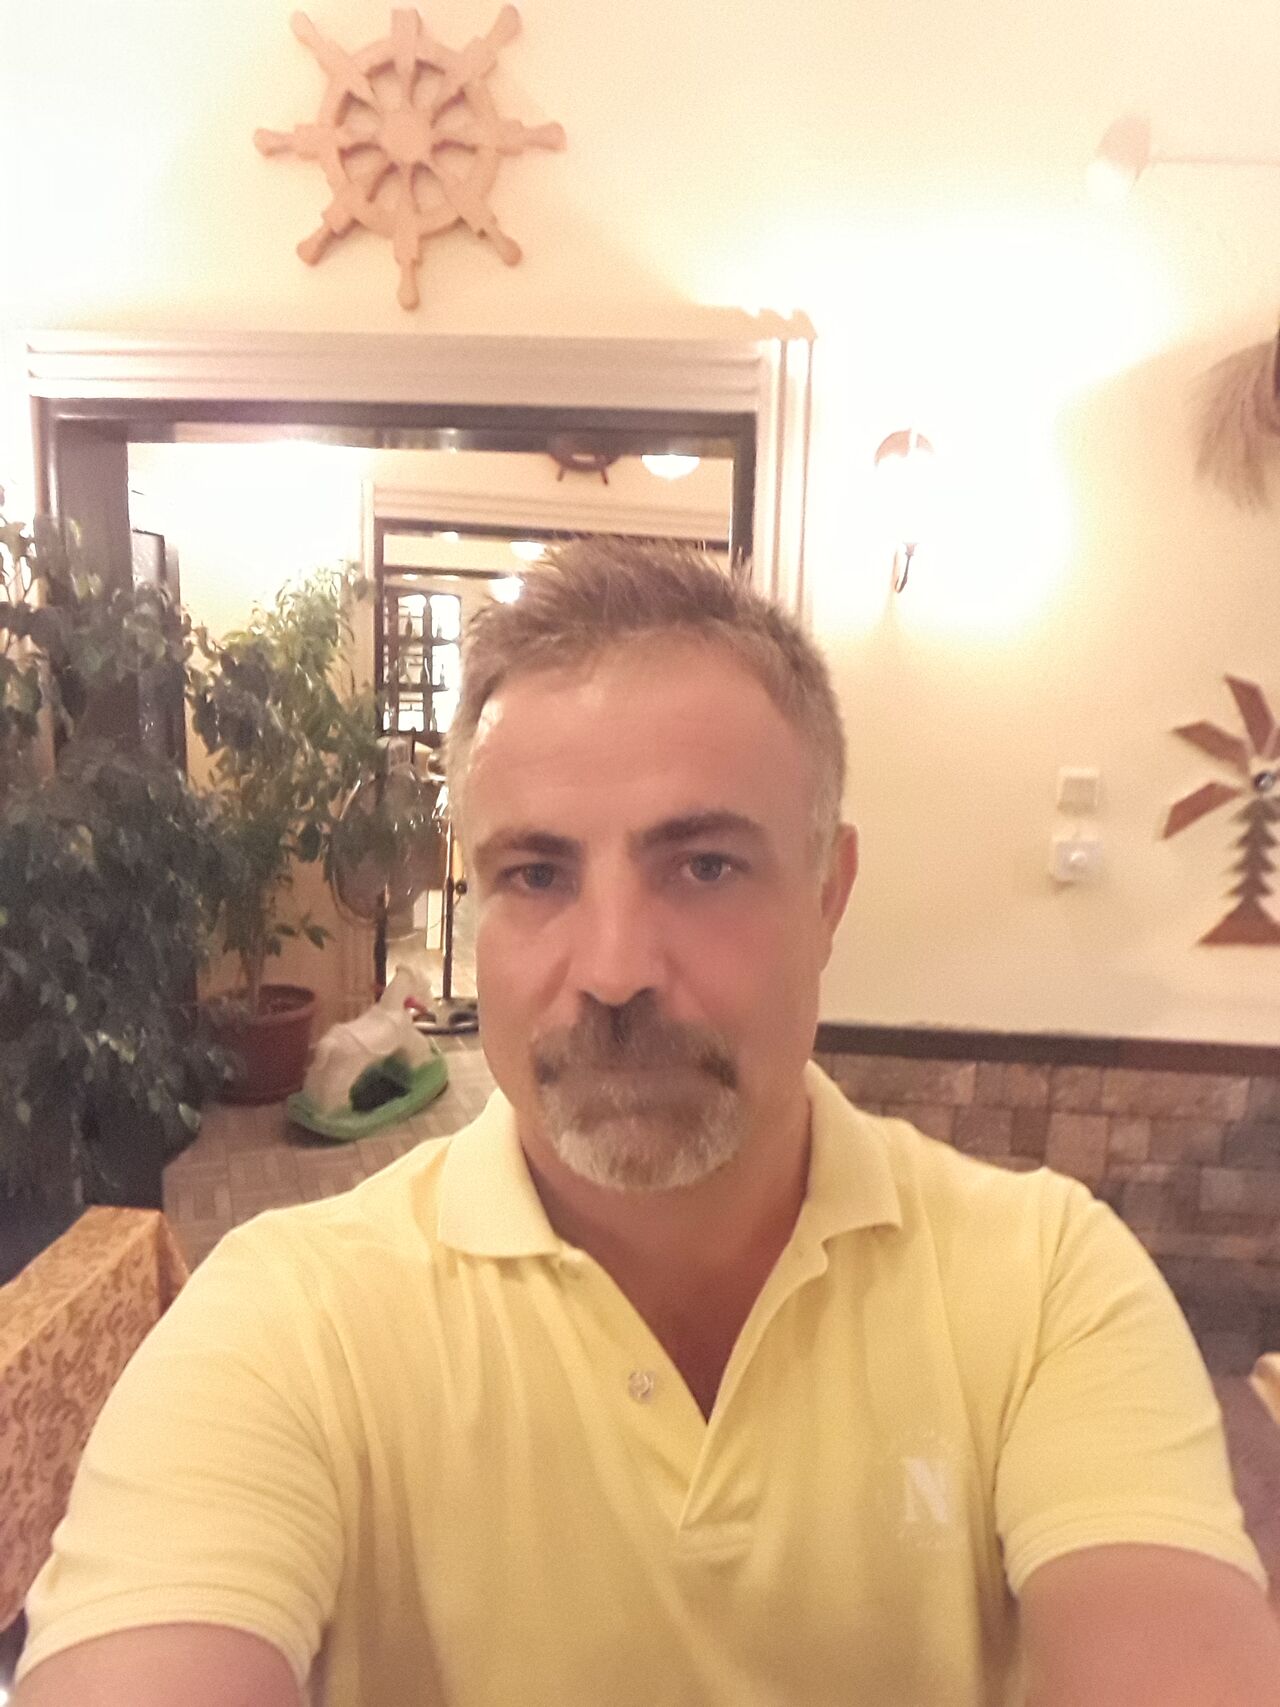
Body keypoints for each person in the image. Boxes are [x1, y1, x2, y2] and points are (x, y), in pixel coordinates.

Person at [14, 538, 1280, 1707]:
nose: (613, 968)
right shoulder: (287, 1322)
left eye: (704, 865)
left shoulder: (1045, 1285)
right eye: (535, 874)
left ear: (827, 895)